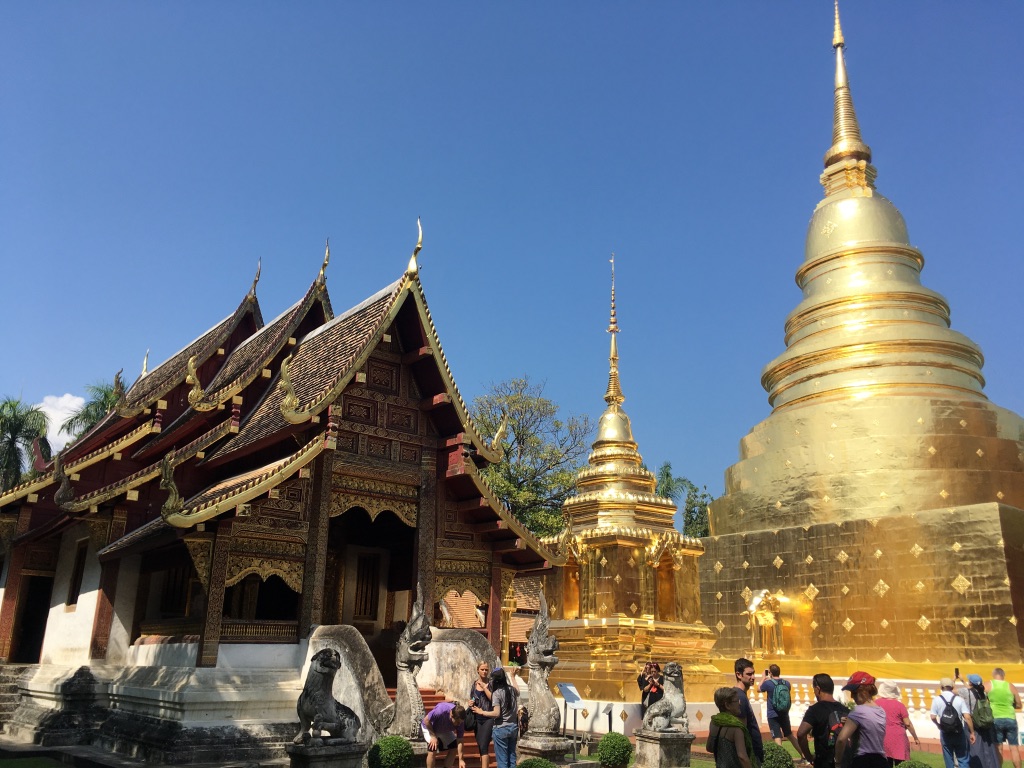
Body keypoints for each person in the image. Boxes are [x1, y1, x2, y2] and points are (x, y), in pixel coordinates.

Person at [835, 671, 888, 768]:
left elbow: (841, 740)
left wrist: (838, 762)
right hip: (881, 761)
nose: (852, 696)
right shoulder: (881, 711)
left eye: (854, 693)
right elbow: (870, 731)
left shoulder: (858, 711)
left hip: (863, 761)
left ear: (864, 691)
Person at [797, 673, 849, 768]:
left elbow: (801, 733)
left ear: (817, 689)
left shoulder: (815, 710)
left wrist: (808, 756)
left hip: (824, 760)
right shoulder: (845, 710)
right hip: (844, 760)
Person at [477, 667, 518, 768]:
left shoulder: (497, 693)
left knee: (502, 761)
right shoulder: (511, 690)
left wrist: (482, 712)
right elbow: (518, 691)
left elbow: (496, 713)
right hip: (513, 727)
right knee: (512, 759)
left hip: (501, 729)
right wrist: (513, 677)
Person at [930, 677, 976, 768]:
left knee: (948, 758)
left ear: (941, 687)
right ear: (952, 687)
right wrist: (972, 732)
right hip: (958, 731)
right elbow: (967, 717)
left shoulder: (937, 700)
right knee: (963, 759)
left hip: (945, 732)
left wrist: (938, 725)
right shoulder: (959, 699)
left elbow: (933, 717)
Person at [708, 686, 756, 768]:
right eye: (736, 701)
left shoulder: (714, 723)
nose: (739, 703)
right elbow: (742, 757)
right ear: (727, 705)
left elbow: (709, 747)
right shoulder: (736, 728)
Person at [957, 675, 999, 768]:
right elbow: (971, 689)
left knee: (975, 747)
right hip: (983, 721)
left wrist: (954, 679)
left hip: (972, 722)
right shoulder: (983, 693)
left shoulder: (965, 692)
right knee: (987, 748)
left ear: (970, 682)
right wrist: (964, 682)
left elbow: (950, 690)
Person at [875, 680, 919, 767]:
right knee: (901, 764)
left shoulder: (876, 703)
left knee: (886, 763)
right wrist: (915, 737)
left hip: (882, 736)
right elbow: (907, 723)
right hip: (899, 737)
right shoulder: (900, 705)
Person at [761, 664, 802, 755]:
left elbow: (758, 689)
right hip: (784, 713)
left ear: (770, 673)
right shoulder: (786, 683)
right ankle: (804, 755)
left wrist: (763, 678)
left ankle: (781, 759)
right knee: (790, 735)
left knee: (777, 736)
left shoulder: (768, 683)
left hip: (773, 714)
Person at [734, 657, 765, 765]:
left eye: (753, 673)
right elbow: (741, 730)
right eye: (749, 674)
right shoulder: (739, 697)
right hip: (749, 754)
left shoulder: (741, 695)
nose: (753, 677)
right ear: (739, 675)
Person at [989, 668, 1022, 768]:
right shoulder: (1010, 686)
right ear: (1003, 675)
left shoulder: (989, 684)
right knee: (1014, 748)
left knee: (998, 748)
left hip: (996, 718)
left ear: (993, 675)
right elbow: (1019, 704)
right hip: (1010, 718)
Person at [422, 700, 467, 768]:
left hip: (445, 730)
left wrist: (461, 759)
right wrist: (433, 736)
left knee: (454, 747)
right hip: (430, 727)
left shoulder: (460, 721)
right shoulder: (441, 710)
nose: (459, 724)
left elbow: (460, 741)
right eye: (457, 722)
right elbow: (426, 720)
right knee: (433, 747)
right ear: (451, 715)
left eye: (460, 722)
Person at [468, 661, 494, 768]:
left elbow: (494, 699)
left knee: (484, 746)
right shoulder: (474, 684)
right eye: (482, 669)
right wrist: (470, 703)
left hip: (488, 717)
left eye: (486, 670)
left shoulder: (492, 684)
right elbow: (472, 698)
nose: (484, 672)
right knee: (480, 746)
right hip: (477, 719)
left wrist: (484, 688)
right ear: (478, 670)